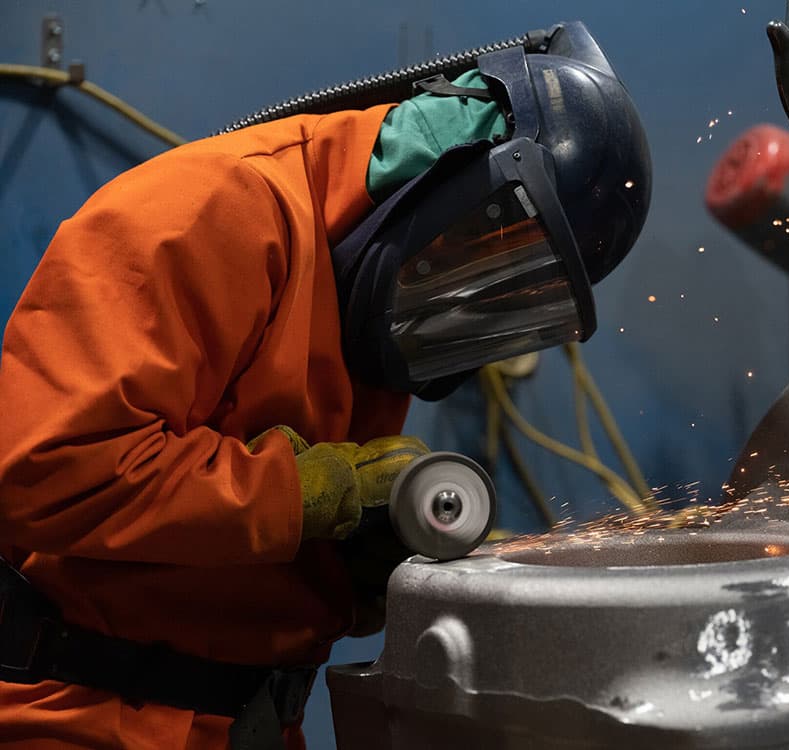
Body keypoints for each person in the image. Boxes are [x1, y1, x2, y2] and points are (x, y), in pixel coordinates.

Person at [0, 21, 650, 750]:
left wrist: (355, 568)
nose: (465, 297)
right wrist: (315, 492)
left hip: (244, 720)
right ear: (447, 188)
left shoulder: (365, 302)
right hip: (81, 720)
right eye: (480, 253)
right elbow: (49, 470)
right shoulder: (209, 210)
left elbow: (226, 541)